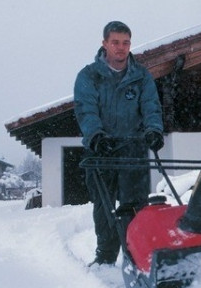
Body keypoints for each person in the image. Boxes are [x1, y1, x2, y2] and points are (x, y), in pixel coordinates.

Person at [74, 21, 164, 266]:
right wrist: (96, 136)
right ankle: (105, 256)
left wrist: (154, 130)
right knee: (104, 206)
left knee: (135, 205)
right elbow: (86, 110)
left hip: (133, 147)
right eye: (115, 42)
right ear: (105, 44)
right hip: (101, 149)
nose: (121, 48)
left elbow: (151, 107)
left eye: (125, 43)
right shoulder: (89, 75)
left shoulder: (141, 76)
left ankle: (135, 255)